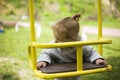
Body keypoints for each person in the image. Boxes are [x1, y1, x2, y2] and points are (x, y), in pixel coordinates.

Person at [37, 14, 107, 80]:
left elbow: (91, 53)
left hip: (75, 72)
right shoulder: (54, 45)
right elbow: (46, 53)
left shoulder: (81, 45)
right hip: (60, 71)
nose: (56, 41)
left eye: (59, 40)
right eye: (55, 38)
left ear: (73, 39)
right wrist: (43, 60)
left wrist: (97, 59)